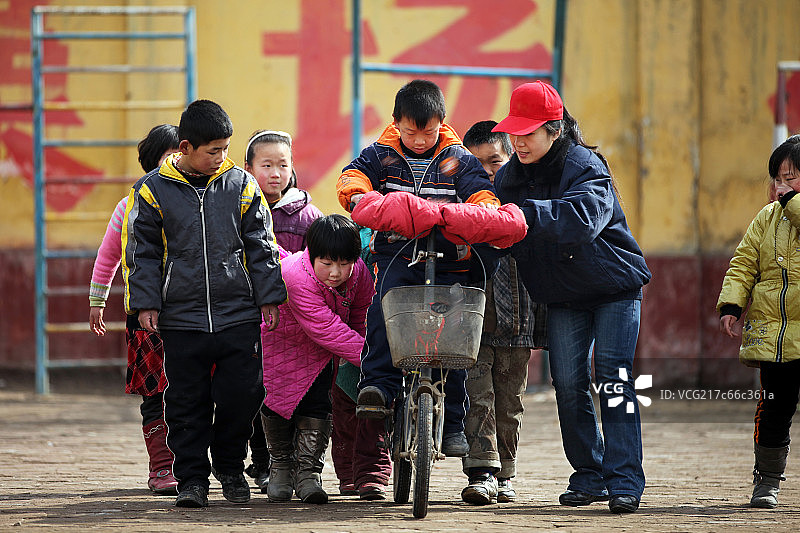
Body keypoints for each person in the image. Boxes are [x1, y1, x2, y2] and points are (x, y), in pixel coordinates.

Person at [492, 81, 651, 514]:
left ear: (554, 129)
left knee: (613, 377)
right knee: (567, 384)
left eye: (528, 133)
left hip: (614, 289)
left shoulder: (585, 166)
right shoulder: (509, 177)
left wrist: (522, 215)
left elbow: (582, 220)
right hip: (563, 294)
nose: (518, 142)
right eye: (514, 133)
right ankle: (589, 474)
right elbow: (497, 232)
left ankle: (624, 480)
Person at [122, 99, 287, 508]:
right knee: (185, 402)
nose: (221, 157)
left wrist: (268, 296)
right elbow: (140, 252)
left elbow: (262, 246)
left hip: (237, 314)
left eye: (224, 149)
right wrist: (145, 303)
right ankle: (192, 479)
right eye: (213, 150)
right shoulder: (152, 190)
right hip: (180, 318)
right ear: (185, 147)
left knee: (242, 395)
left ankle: (229, 468)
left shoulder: (243, 186)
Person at [336, 79, 500, 459]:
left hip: (451, 262)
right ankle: (377, 386)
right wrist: (359, 194)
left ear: (442, 122)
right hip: (398, 256)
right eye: (411, 131)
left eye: (428, 132)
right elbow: (352, 176)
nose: (420, 140)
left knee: (456, 337)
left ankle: (454, 424)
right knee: (383, 312)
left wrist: (485, 208)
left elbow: (479, 190)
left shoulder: (460, 159)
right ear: (397, 123)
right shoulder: (381, 155)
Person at [459, 120, 548, 505]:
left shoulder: (523, 203)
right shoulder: (463, 206)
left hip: (519, 322)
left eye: (494, 161)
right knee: (478, 397)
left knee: (509, 402)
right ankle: (481, 472)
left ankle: (506, 474)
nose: (486, 171)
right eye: (476, 164)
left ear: (510, 157)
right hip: (474, 324)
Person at [89, 124, 179, 495]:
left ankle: (194, 465)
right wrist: (97, 300)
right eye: (168, 156)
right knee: (154, 392)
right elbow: (108, 257)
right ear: (150, 163)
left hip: (192, 315)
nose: (176, 163)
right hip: (143, 316)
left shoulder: (201, 204)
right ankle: (161, 468)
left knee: (195, 394)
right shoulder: (128, 206)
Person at [260, 214, 375, 504]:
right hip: (281, 344)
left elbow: (361, 314)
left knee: (318, 405)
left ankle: (309, 474)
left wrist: (367, 346)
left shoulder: (360, 272)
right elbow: (327, 328)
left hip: (323, 352)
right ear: (312, 255)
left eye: (344, 263)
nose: (336, 273)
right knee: (276, 406)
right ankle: (281, 468)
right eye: (327, 263)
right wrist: (375, 359)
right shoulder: (295, 275)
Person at [717, 136, 800, 509]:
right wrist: (732, 305)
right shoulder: (767, 217)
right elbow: (744, 263)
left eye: (793, 177)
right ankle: (767, 480)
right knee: (773, 409)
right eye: (779, 177)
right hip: (773, 337)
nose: (782, 185)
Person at [242, 129, 323, 491]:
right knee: (258, 392)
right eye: (266, 165)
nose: (275, 173)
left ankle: (305, 469)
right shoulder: (236, 208)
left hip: (299, 324)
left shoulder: (308, 217)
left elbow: (321, 270)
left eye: (283, 165)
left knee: (306, 393)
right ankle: (267, 464)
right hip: (250, 319)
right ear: (248, 168)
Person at [329, 225, 392, 500]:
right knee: (345, 405)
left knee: (377, 407)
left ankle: (371, 474)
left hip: (389, 334)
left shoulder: (408, 229)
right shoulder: (350, 234)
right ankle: (349, 473)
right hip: (348, 338)